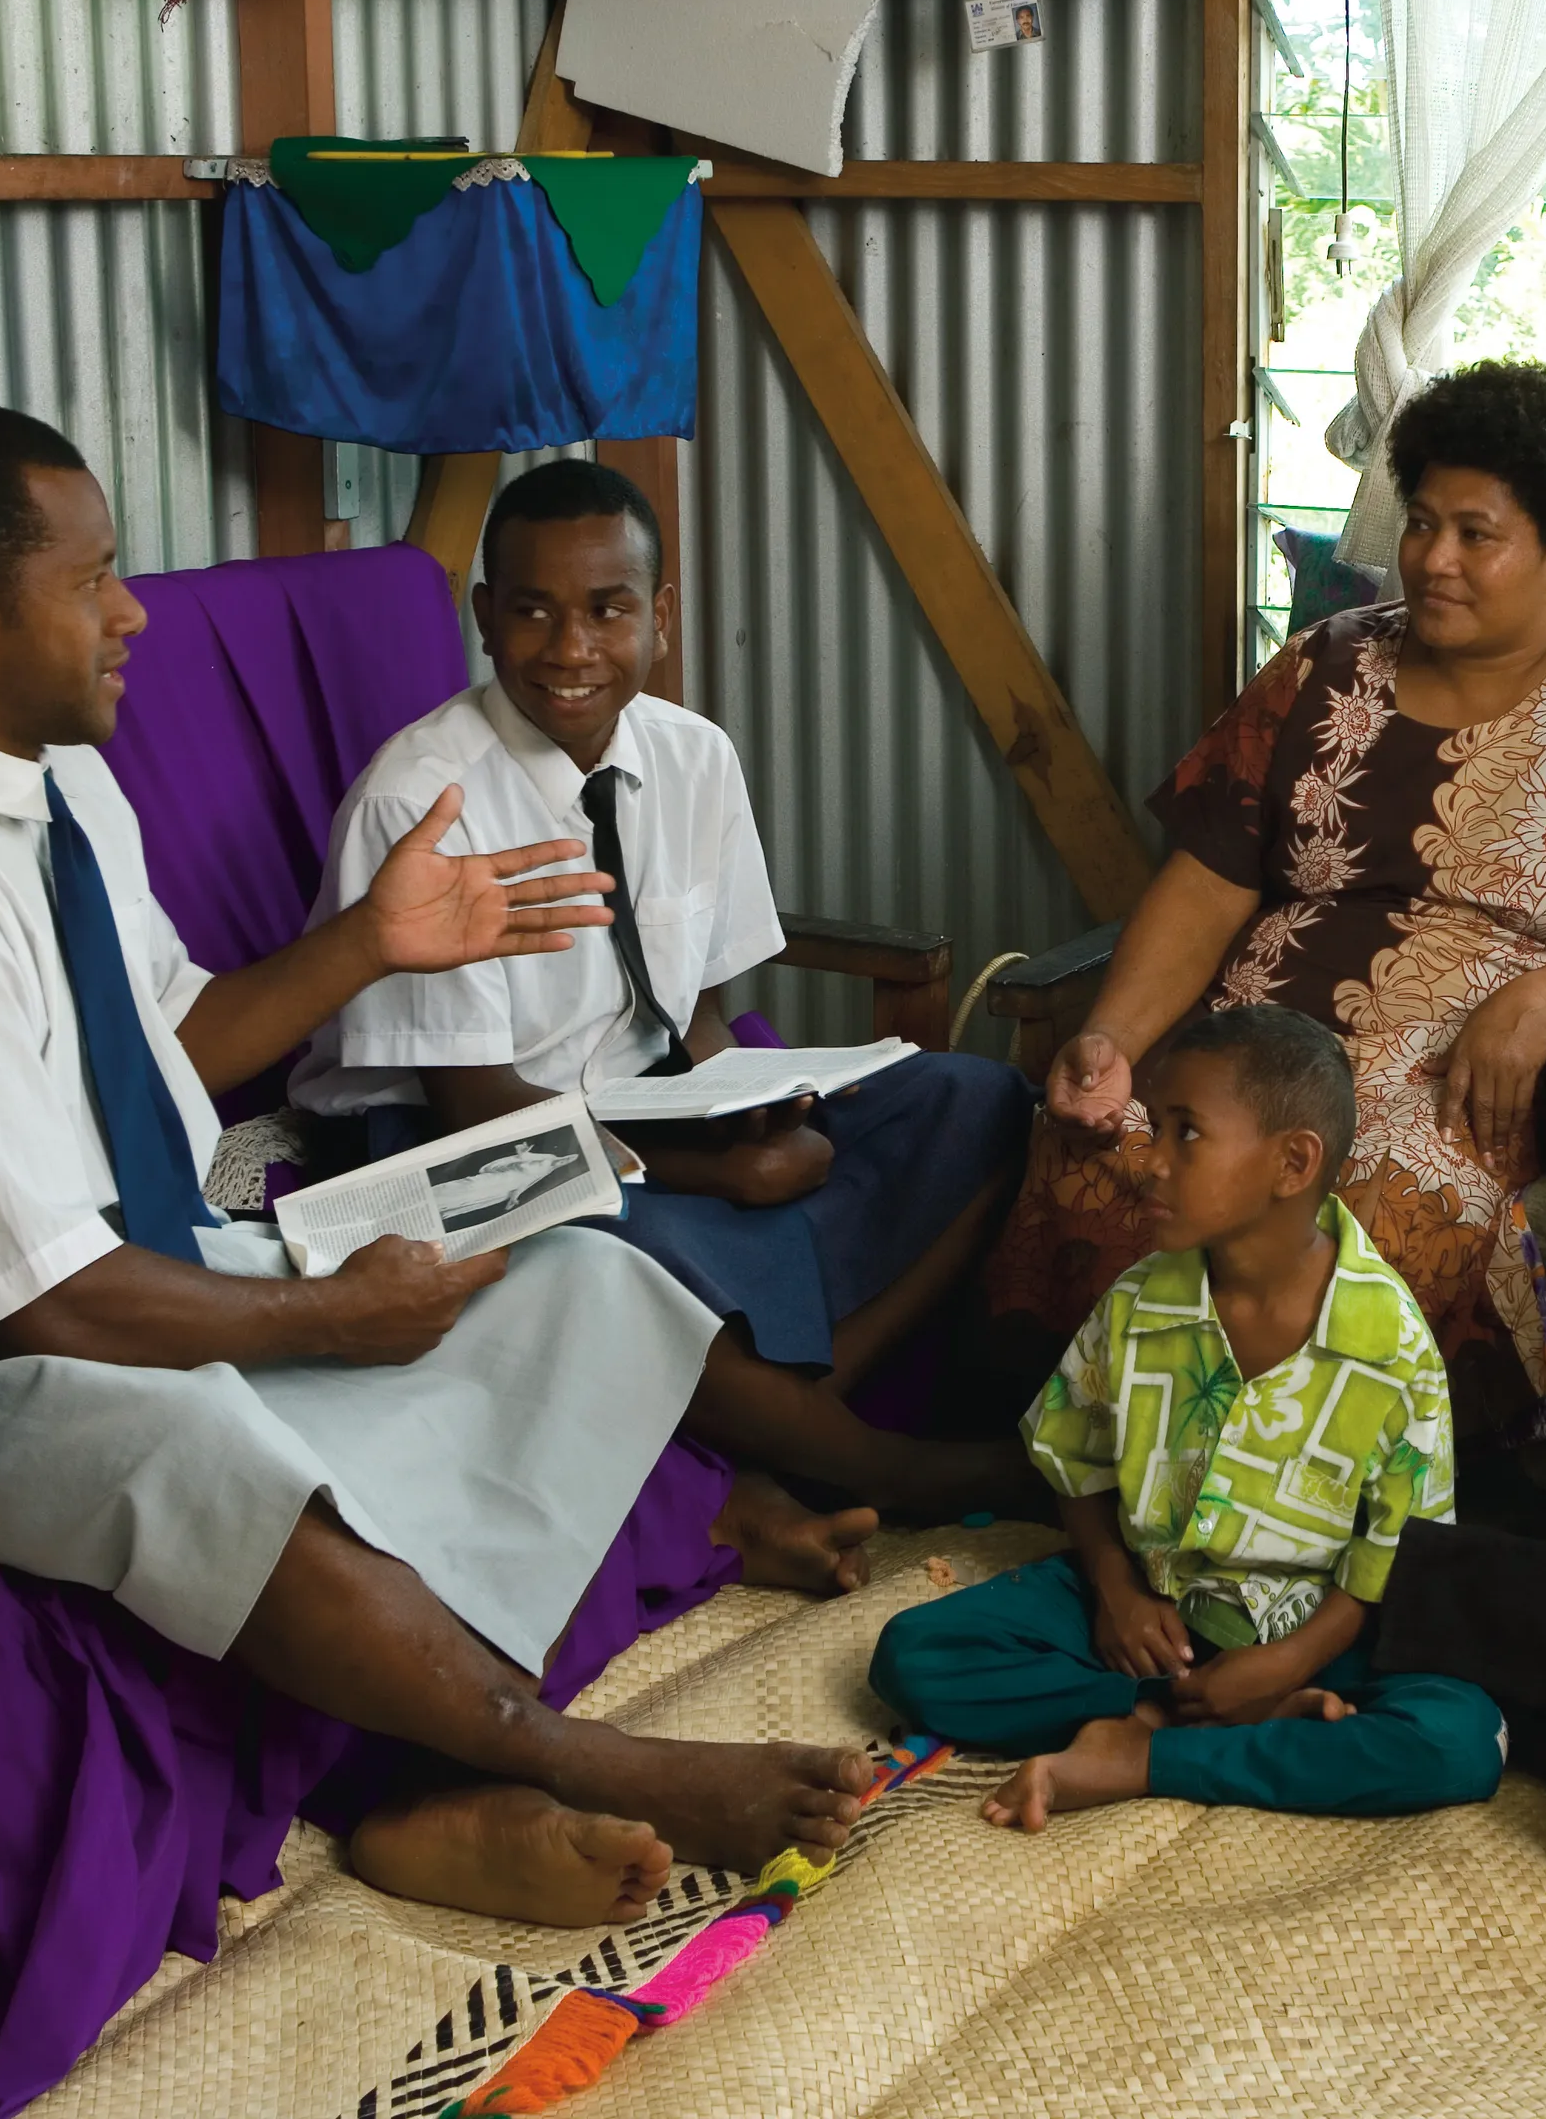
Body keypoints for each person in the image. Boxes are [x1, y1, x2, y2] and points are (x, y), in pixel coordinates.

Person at [0, 402, 885, 1934]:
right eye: (94, 580)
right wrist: (332, 1322)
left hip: (132, 1260)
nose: (135, 609)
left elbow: (174, 1046)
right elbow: (42, 1306)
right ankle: (551, 1756)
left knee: (572, 1275)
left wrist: (373, 945)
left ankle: (417, 1786)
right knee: (222, 1465)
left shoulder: (52, 785)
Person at [976, 359, 1546, 1441]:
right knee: (1107, 1148)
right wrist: (1115, 1035)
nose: (1432, 559)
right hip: (1256, 1038)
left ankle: (1315, 1512)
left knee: (1370, 1209)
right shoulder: (1320, 665)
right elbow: (1212, 874)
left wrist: (1542, 1002)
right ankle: (1088, 1469)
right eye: (1421, 523)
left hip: (1453, 1075)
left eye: (1475, 534)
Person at [294, 457, 1035, 1512]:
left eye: (609, 609)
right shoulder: (418, 803)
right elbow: (474, 1116)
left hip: (648, 1106)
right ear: (485, 619)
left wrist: (754, 1111)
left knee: (985, 1103)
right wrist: (716, 1173)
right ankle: (875, 1462)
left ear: (663, 616)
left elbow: (697, 1018)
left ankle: (790, 1422)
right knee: (595, 1261)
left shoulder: (695, 758)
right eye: (535, 611)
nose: (571, 648)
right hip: (443, 1153)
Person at [867, 1005, 1506, 1830]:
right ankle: (1201, 1717)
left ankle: (1149, 1750)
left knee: (1463, 1741)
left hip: (1319, 1634)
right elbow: (1075, 1463)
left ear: (1292, 1164)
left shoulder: (1390, 1347)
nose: (1152, 1160)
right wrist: (1115, 1591)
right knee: (916, 1658)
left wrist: (1287, 1662)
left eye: (1185, 1133)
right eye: (1154, 1127)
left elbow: (1396, 1554)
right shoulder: (1138, 1305)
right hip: (1153, 1611)